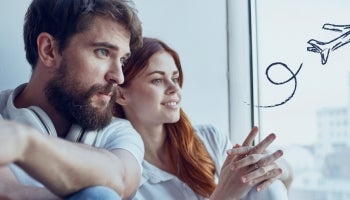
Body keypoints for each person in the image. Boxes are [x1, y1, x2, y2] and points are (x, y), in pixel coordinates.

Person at [114, 37, 293, 200]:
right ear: (121, 95)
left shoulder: (210, 139)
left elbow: (278, 181)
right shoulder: (128, 176)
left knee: (268, 186)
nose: (174, 88)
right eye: (157, 80)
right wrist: (223, 195)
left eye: (175, 78)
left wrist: (269, 165)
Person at [0, 0, 145, 199]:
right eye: (103, 52)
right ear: (49, 50)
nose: (118, 77)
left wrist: (24, 142)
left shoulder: (118, 133)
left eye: (122, 60)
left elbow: (120, 179)